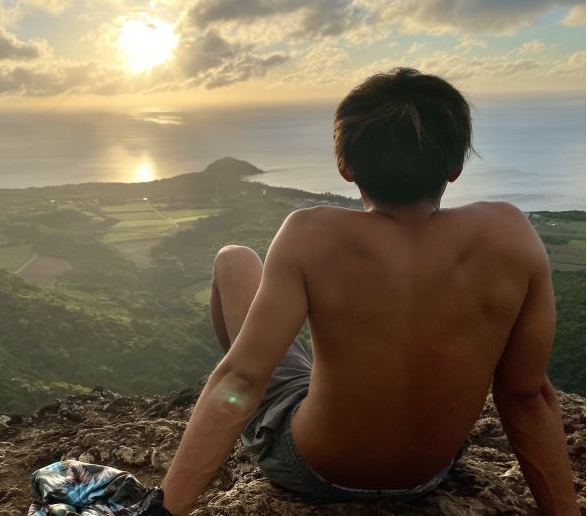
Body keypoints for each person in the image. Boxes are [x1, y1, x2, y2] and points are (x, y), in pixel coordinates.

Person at [136, 68, 580, 516]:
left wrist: (163, 510)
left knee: (234, 260)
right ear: (455, 166)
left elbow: (241, 380)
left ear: (345, 168)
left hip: (312, 469)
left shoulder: (310, 232)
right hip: (427, 474)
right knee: (301, 364)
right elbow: (526, 396)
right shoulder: (511, 235)